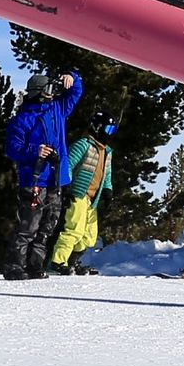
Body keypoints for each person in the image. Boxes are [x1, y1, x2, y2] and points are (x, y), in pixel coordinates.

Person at [1, 69, 85, 279]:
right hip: (35, 179)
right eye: (49, 89)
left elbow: (76, 92)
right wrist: (34, 151)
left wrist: (72, 77)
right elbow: (12, 148)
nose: (53, 93)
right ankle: (14, 267)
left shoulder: (57, 108)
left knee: (48, 225)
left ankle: (35, 266)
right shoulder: (22, 120)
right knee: (29, 226)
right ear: (38, 92)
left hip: (56, 179)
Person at [53, 115, 117, 274]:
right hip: (78, 195)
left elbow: (106, 174)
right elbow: (67, 165)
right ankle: (58, 262)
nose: (109, 133)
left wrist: (108, 190)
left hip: (92, 199)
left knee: (89, 236)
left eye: (112, 130)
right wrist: (66, 186)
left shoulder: (107, 151)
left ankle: (72, 262)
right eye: (107, 129)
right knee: (74, 230)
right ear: (97, 127)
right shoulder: (83, 145)